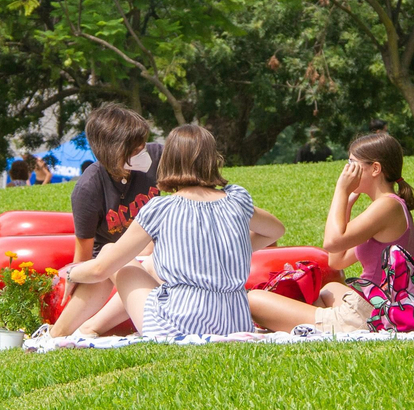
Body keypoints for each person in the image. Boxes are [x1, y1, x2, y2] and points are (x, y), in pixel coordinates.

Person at [62, 125, 284, 339]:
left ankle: (59, 333)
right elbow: (275, 231)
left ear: (168, 162)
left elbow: (103, 268)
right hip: (234, 321)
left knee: (113, 252)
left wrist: (70, 273)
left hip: (178, 324)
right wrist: (229, 249)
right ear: (213, 160)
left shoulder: (160, 209)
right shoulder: (237, 199)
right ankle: (89, 327)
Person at [248, 132, 414, 334]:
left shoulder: (387, 206)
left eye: (352, 163)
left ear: (375, 168)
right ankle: (314, 320)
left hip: (370, 313)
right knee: (328, 289)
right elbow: (336, 261)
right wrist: (347, 206)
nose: (347, 170)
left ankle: (320, 323)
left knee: (253, 299)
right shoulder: (389, 206)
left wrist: (341, 191)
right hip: (375, 305)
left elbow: (331, 242)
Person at [48, 104, 162, 337]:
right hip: (111, 263)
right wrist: (73, 281)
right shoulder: (89, 189)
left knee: (152, 249)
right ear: (113, 151)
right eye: (135, 148)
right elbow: (83, 256)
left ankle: (80, 330)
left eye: (143, 143)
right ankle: (61, 333)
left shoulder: (157, 157)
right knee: (113, 255)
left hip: (153, 253)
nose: (143, 150)